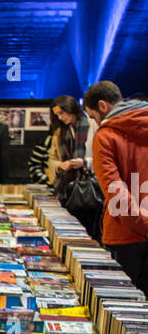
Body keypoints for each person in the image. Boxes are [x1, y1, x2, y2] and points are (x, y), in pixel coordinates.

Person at [88, 80, 148, 291]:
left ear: (103, 106)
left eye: (93, 116)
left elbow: (116, 191)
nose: (95, 122)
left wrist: (142, 223)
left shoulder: (105, 136)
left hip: (125, 233)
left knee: (123, 302)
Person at [44, 94, 101, 237]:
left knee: (87, 231)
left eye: (61, 113)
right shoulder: (60, 131)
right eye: (57, 115)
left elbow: (104, 158)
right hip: (66, 189)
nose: (60, 118)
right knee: (67, 232)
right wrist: (60, 165)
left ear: (70, 108)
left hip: (87, 189)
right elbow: (51, 159)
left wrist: (85, 162)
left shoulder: (92, 125)